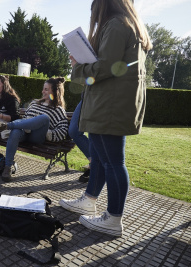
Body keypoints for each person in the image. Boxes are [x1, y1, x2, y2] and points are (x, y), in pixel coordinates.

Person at [59, 0, 152, 237]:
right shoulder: (126, 24)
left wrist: (78, 66)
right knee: (102, 159)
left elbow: (105, 68)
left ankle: (113, 218)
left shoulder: (117, 24)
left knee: (113, 162)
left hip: (109, 104)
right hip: (107, 102)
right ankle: (90, 199)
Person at [0, 77, 68, 182]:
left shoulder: (58, 110)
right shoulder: (34, 103)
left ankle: (8, 125)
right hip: (24, 132)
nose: (43, 91)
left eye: (46, 89)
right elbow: (26, 119)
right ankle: (7, 167)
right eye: (43, 89)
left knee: (44, 118)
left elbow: (62, 132)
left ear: (54, 91)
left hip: (37, 136)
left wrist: (47, 133)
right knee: (16, 131)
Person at [69, 99, 91, 182]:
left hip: (102, 96)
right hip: (87, 96)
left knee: (94, 134)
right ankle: (95, 162)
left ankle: (94, 165)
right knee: (74, 131)